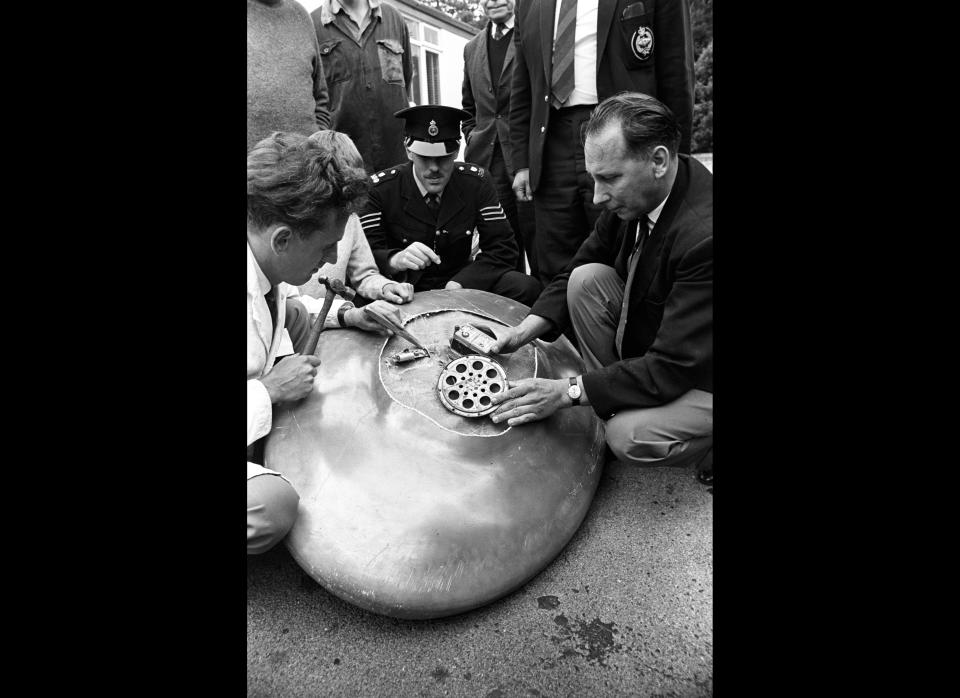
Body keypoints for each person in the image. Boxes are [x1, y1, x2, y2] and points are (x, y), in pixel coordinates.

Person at [488, 93, 712, 474]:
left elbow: (674, 366)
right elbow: (584, 261)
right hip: (675, 346)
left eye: (609, 178)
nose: (597, 196)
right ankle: (615, 399)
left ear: (658, 160)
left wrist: (568, 391)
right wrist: (525, 330)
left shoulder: (704, 236)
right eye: (594, 178)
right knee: (585, 280)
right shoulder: (644, 193)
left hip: (701, 370)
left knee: (629, 437)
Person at [247, 131, 407, 555]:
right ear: (282, 239)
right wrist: (269, 391)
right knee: (271, 506)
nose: (332, 255)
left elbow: (291, 306)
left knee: (297, 315)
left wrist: (350, 315)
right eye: (325, 246)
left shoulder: (262, 257)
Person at [509, 0, 695, 285]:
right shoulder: (527, 4)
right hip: (551, 139)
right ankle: (559, 327)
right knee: (556, 259)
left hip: (626, 138)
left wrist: (677, 160)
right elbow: (522, 83)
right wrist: (522, 161)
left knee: (623, 252)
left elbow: (675, 70)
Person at [359, 105, 542, 306]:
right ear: (408, 151)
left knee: (525, 287)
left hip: (461, 283)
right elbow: (363, 257)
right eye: (425, 158)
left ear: (456, 151)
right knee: (361, 300)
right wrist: (395, 260)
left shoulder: (476, 182)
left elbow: (503, 249)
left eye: (443, 158)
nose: (434, 168)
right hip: (405, 289)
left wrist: (460, 284)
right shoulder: (381, 189)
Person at [296, 130, 415, 310]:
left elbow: (364, 274)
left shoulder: (349, 214)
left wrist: (386, 287)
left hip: (336, 322)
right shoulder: (290, 218)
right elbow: (287, 303)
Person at [461, 0, 538, 278]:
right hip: (487, 162)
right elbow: (468, 107)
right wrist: (472, 136)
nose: (494, 2)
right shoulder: (472, 48)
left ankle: (543, 308)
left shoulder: (532, 36)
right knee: (503, 245)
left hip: (526, 159)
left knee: (538, 240)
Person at [311, 0, 413, 173]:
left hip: (397, 159)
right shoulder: (313, 24)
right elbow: (314, 100)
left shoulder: (394, 18)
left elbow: (406, 79)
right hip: (343, 165)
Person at [247, 0, 331, 152]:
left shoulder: (301, 15)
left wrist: (317, 146)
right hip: (254, 172)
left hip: (308, 167)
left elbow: (320, 97)